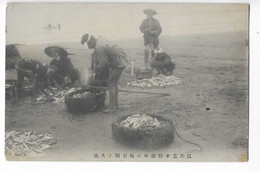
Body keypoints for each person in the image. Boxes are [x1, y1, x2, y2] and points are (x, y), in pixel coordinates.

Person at [81, 33, 128, 113]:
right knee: (114, 83)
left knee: (111, 83)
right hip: (121, 59)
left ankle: (112, 107)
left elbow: (103, 63)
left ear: (91, 41)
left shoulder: (99, 47)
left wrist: (96, 72)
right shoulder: (99, 39)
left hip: (118, 62)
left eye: (89, 45)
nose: (89, 48)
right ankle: (115, 105)